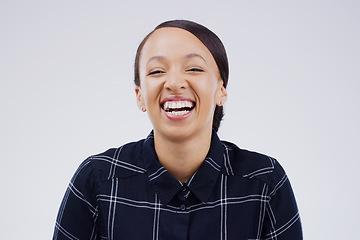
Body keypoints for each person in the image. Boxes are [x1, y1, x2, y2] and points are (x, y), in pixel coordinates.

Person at [53, 20, 302, 240]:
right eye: (157, 71)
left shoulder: (265, 182)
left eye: (194, 68)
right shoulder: (96, 180)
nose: (173, 83)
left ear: (221, 90)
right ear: (140, 95)